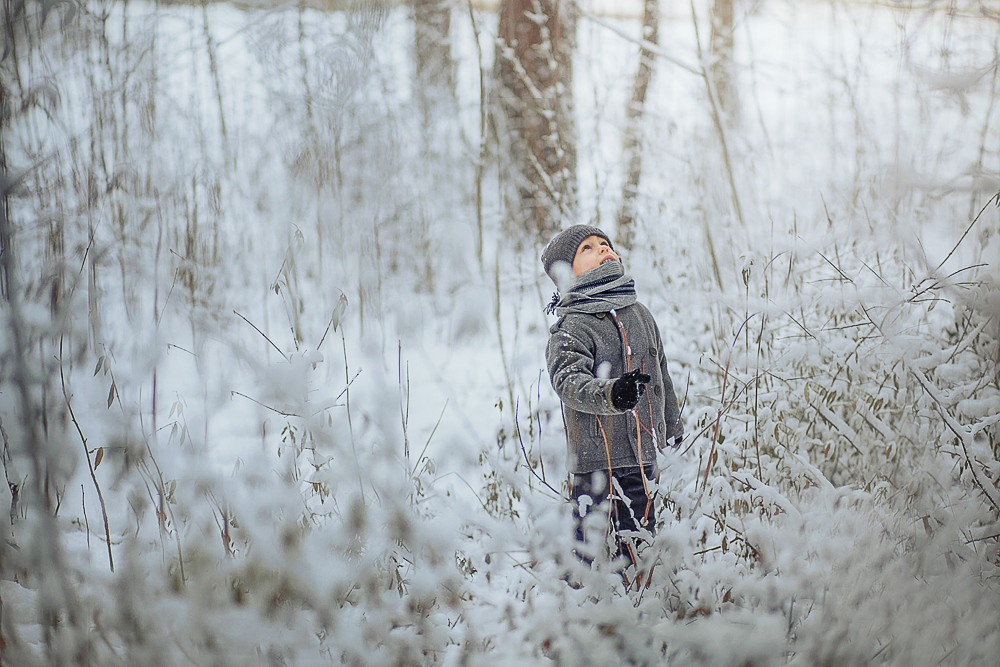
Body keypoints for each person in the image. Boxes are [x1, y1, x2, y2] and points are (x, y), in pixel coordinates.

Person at [541, 225, 682, 587]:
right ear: (564, 272)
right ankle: (577, 598)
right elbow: (568, 380)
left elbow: (660, 374)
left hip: (642, 451)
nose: (603, 249)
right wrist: (611, 393)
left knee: (638, 535)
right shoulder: (573, 326)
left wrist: (671, 426)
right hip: (596, 458)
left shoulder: (640, 314)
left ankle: (637, 597)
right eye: (588, 248)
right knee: (588, 540)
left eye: (605, 244)